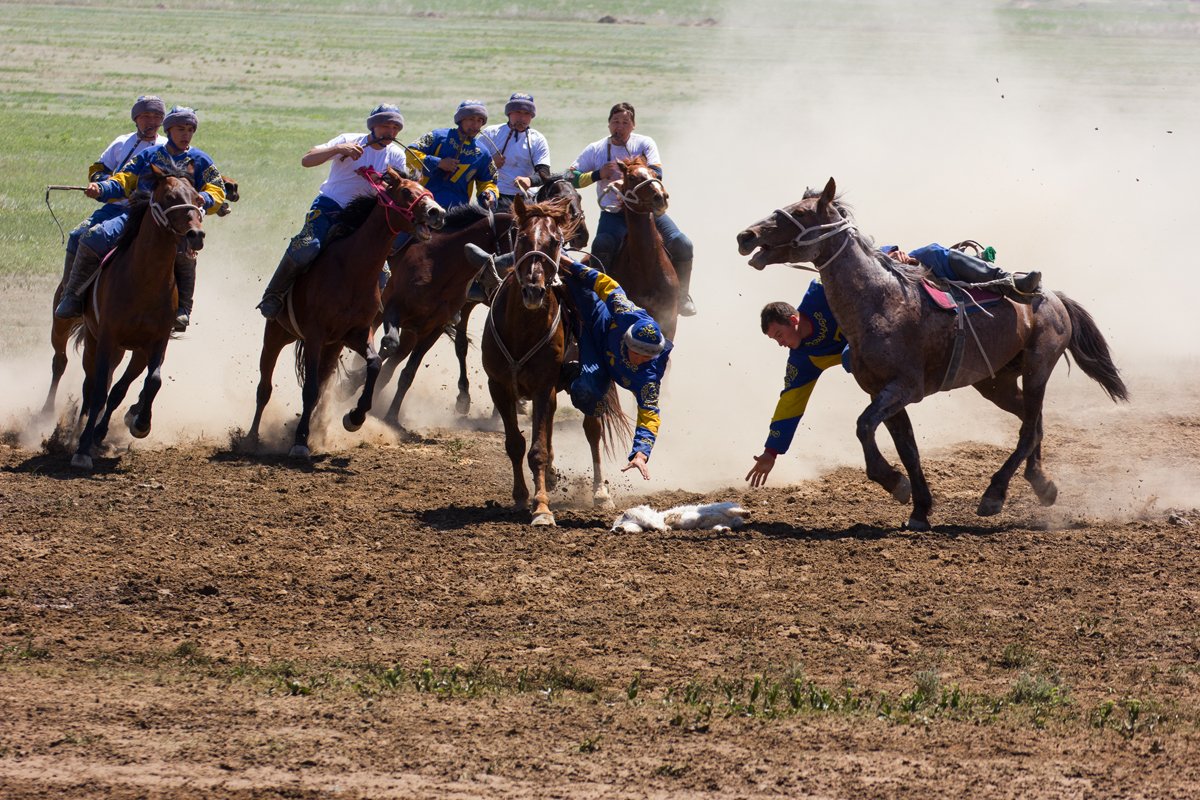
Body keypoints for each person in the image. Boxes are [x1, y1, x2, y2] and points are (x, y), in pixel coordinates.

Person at [54, 105, 225, 331]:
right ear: (169, 130)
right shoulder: (149, 156)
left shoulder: (200, 159)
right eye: (180, 129)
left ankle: (183, 309)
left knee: (186, 254)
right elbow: (124, 180)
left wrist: (205, 197)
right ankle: (73, 296)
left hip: (178, 224)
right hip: (138, 217)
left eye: (190, 129)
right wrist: (102, 188)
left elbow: (218, 189)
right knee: (93, 236)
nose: (186, 134)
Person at [258, 103, 411, 318]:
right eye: (387, 126)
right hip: (330, 206)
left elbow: (398, 189)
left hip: (362, 217)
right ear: (374, 126)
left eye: (396, 129)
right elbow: (307, 159)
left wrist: (381, 183)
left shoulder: (395, 155)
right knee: (307, 246)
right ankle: (274, 293)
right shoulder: (348, 140)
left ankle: (365, 314)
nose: (392, 132)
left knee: (383, 273)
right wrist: (339, 149)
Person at [565, 102, 696, 316]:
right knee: (602, 245)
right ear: (608, 125)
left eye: (625, 122)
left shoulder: (645, 143)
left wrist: (628, 182)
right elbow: (570, 177)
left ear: (633, 125)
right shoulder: (596, 149)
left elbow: (656, 173)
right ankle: (596, 300)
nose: (620, 126)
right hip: (614, 213)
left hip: (646, 212)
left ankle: (682, 297)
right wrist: (598, 174)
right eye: (615, 121)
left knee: (682, 243)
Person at [558, 257, 672, 481]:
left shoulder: (649, 377)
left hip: (599, 360)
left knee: (588, 394)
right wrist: (568, 264)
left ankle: (568, 375)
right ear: (627, 339)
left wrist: (641, 454)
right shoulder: (626, 312)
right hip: (594, 317)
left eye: (648, 355)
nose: (641, 359)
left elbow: (649, 414)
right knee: (565, 281)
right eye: (637, 353)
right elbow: (605, 283)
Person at [745, 280, 850, 488]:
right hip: (866, 354)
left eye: (779, 335)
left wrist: (890, 253)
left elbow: (852, 268)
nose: (780, 343)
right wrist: (770, 452)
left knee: (930, 254)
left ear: (793, 320)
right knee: (850, 357)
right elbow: (790, 403)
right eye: (775, 340)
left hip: (883, 320)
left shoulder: (819, 293)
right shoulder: (801, 360)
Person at [61, 95, 167, 294]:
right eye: (145, 116)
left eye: (156, 116)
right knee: (77, 235)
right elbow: (97, 168)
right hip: (115, 208)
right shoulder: (122, 142)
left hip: (151, 212)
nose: (151, 121)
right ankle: (69, 293)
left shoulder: (167, 147)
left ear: (163, 120)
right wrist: (103, 185)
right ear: (136, 118)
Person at [404, 99, 499, 212]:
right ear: (460, 120)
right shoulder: (438, 137)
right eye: (471, 119)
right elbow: (409, 153)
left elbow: (488, 181)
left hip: (457, 212)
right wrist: (438, 163)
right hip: (425, 206)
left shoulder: (483, 153)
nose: (475, 124)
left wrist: (489, 194)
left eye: (479, 120)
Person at [882, 243, 1042, 300]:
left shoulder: (858, 245)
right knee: (930, 253)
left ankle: (1009, 283)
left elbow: (875, 254)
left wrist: (889, 255)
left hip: (900, 270)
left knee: (931, 252)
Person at [479, 92, 552, 211]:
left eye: (527, 113)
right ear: (509, 113)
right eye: (518, 112)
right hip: (494, 195)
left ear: (531, 116)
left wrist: (530, 180)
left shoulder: (538, 139)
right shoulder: (491, 133)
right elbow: (472, 165)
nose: (522, 118)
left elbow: (544, 173)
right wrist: (491, 163)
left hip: (526, 198)